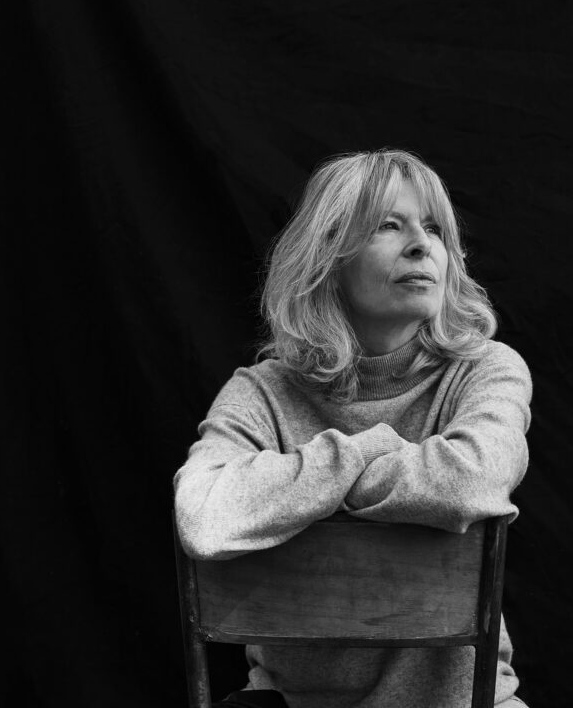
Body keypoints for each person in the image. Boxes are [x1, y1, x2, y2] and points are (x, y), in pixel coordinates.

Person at [173, 149, 533, 708]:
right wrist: (368, 450)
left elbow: (470, 481)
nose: (422, 245)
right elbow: (202, 513)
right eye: (390, 226)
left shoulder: (485, 371)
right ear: (327, 258)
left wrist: (302, 498)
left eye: (433, 228)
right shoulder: (263, 391)